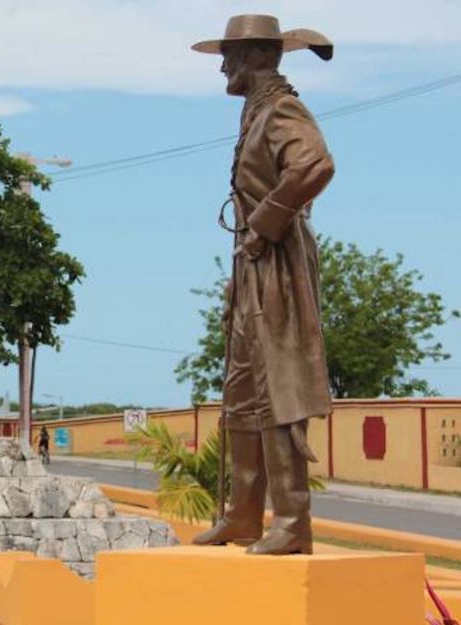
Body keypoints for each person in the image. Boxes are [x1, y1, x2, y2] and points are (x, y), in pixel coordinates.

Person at [190, 15, 335, 555]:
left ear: (252, 57)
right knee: (243, 389)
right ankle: (245, 516)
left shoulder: (281, 108)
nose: (223, 67)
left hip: (275, 259)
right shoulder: (257, 111)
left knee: (280, 388)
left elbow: (315, 164)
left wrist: (264, 225)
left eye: (228, 56)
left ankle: (293, 522)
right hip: (251, 262)